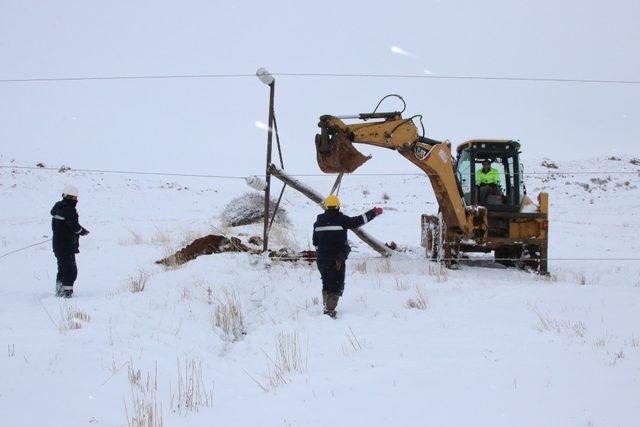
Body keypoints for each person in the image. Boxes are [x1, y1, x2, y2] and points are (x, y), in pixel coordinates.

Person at [312, 195, 383, 318]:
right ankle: (329, 310)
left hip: (322, 259)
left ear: (326, 206)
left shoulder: (317, 222)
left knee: (326, 282)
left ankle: (326, 306)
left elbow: (315, 242)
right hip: (336, 259)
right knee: (336, 284)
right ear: (338, 206)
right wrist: (374, 212)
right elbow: (358, 221)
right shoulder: (341, 220)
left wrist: (321, 254)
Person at [51, 185, 89, 298]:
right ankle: (66, 293)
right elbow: (75, 227)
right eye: (75, 198)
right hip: (66, 245)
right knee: (70, 270)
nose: (76, 200)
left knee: (62, 269)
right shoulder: (69, 210)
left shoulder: (58, 208)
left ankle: (59, 291)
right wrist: (83, 231)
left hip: (58, 244)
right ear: (71, 198)